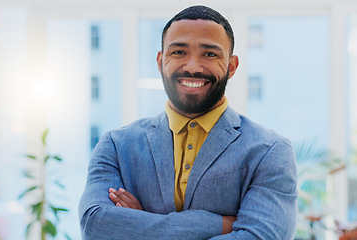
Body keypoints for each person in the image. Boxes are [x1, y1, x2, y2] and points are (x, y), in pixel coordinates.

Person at [79, 5, 297, 240]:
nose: (193, 66)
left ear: (232, 66)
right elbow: (95, 226)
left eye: (210, 54)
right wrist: (218, 224)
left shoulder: (270, 151)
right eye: (179, 52)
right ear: (161, 61)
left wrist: (139, 225)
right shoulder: (116, 146)